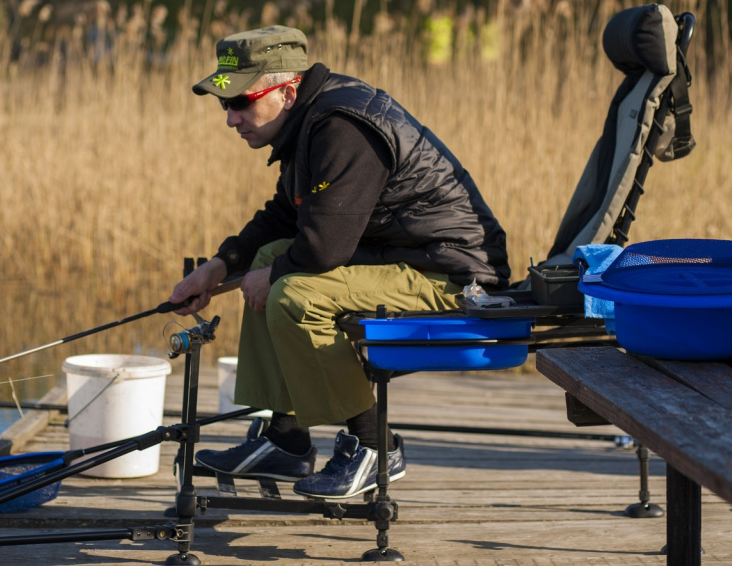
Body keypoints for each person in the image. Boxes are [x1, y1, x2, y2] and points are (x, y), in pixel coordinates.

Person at [168, 25, 510, 500]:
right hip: (405, 257)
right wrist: (220, 267)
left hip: (454, 275)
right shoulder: (309, 120)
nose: (230, 119)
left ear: (287, 93)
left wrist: (273, 275)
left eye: (240, 102)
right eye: (224, 104)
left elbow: (324, 248)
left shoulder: (342, 125)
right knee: (270, 260)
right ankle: (285, 441)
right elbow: (286, 217)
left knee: (292, 292)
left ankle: (375, 446)